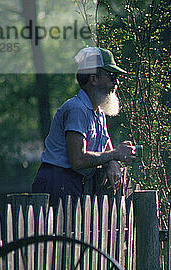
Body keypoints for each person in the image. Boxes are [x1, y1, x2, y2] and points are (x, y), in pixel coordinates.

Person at [32, 47, 137, 206]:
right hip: (57, 181)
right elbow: (78, 160)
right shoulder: (77, 109)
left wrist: (113, 162)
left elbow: (105, 141)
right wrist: (115, 154)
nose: (117, 82)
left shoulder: (98, 110)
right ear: (94, 79)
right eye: (112, 76)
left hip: (70, 181)